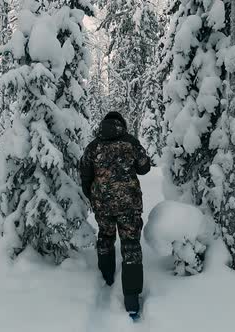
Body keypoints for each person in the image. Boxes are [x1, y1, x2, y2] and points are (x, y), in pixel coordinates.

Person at [80, 111, 151, 315]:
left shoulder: (93, 146)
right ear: (122, 124)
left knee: (106, 236)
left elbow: (84, 174)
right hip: (129, 203)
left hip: (103, 204)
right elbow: (144, 168)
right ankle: (131, 299)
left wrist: (94, 196)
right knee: (131, 244)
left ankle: (107, 276)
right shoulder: (130, 142)